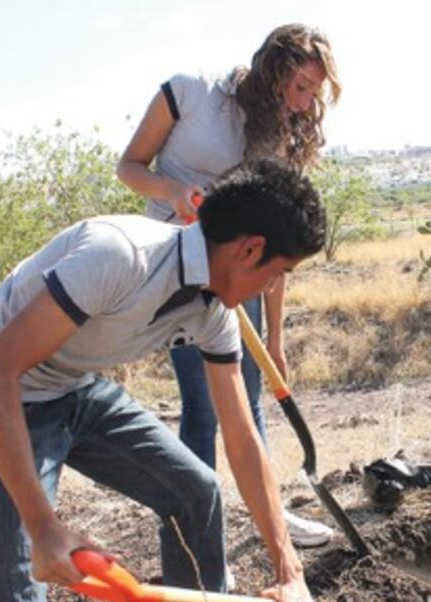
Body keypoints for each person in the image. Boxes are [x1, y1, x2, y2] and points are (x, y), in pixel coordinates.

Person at [0, 160, 321, 602]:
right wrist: (43, 527)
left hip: (74, 390)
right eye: (278, 273)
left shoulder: (214, 312)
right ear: (250, 249)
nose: (273, 288)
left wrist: (287, 569)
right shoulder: (120, 257)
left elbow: (242, 436)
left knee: (195, 493)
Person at [117, 23, 341, 547]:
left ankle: (273, 520)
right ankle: (198, 530)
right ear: (275, 70)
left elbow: (276, 247)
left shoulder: (280, 134)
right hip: (178, 272)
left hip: (241, 280)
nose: (307, 105)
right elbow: (129, 167)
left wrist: (277, 343)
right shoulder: (190, 92)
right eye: (302, 87)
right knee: (204, 404)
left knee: (251, 396)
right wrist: (174, 191)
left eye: (315, 92)